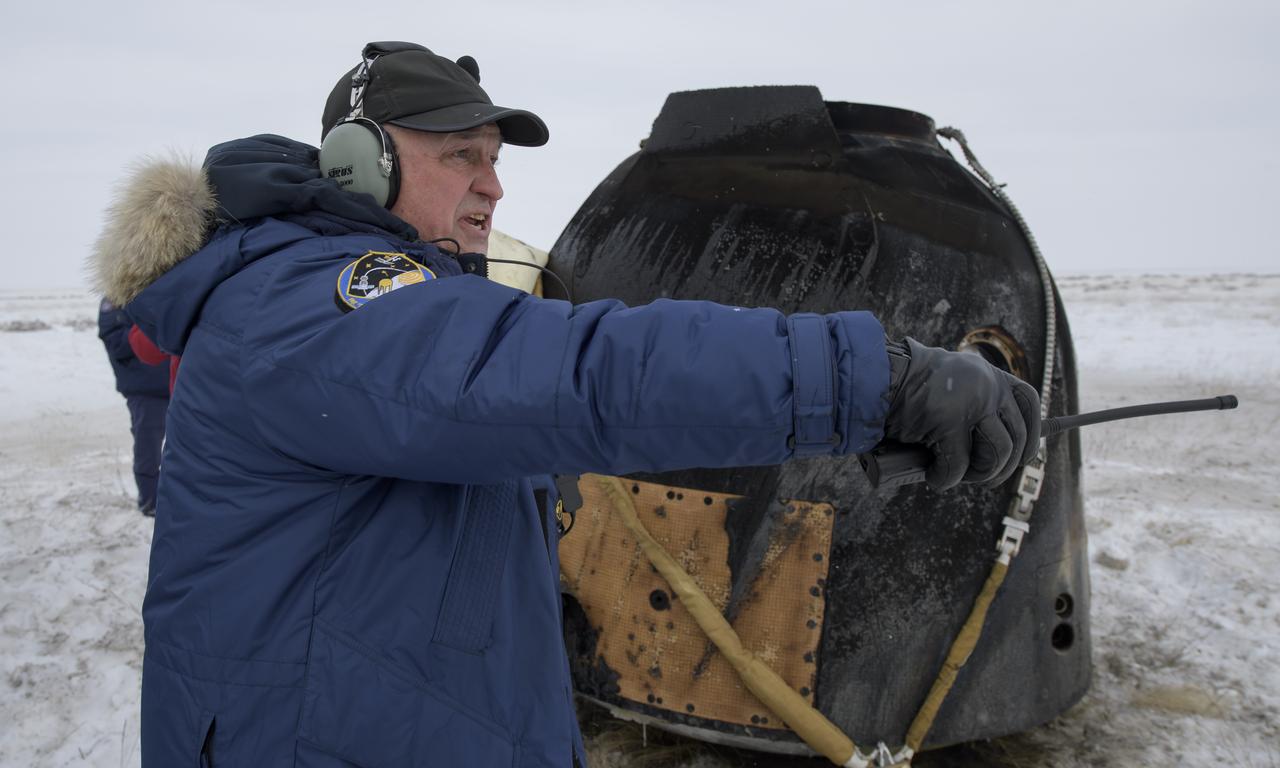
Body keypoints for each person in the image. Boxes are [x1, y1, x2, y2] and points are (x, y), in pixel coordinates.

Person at [90, 42, 1040, 767]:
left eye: (495, 158)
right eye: (460, 155)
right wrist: (872, 378)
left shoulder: (357, 296)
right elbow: (575, 371)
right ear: (357, 165)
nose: (492, 186)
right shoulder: (314, 302)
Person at [96, 297, 169, 516]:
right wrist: (152, 328)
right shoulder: (115, 298)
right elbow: (117, 343)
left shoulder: (159, 289)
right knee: (149, 448)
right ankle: (150, 502)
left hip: (177, 382)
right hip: (144, 389)